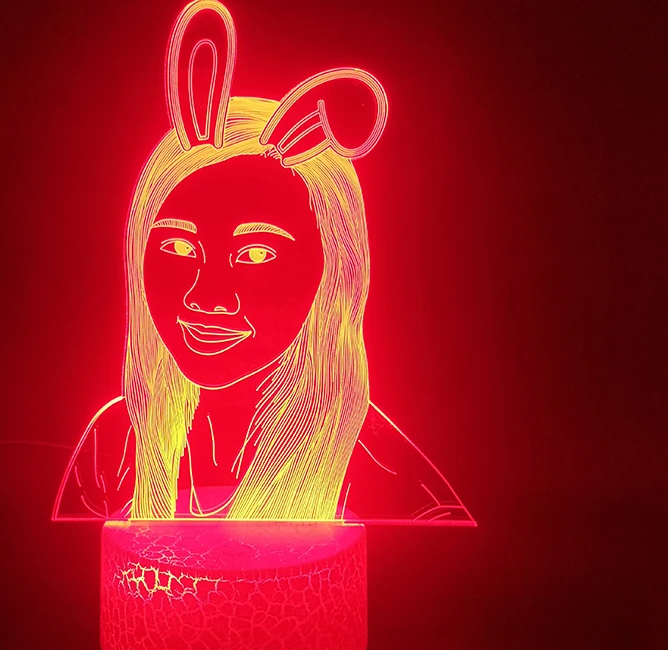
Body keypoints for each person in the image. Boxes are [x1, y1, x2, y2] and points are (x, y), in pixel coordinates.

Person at [53, 1, 473, 525]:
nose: (206, 297)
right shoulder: (117, 443)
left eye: (255, 254)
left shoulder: (373, 463)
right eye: (179, 248)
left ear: (334, 269)